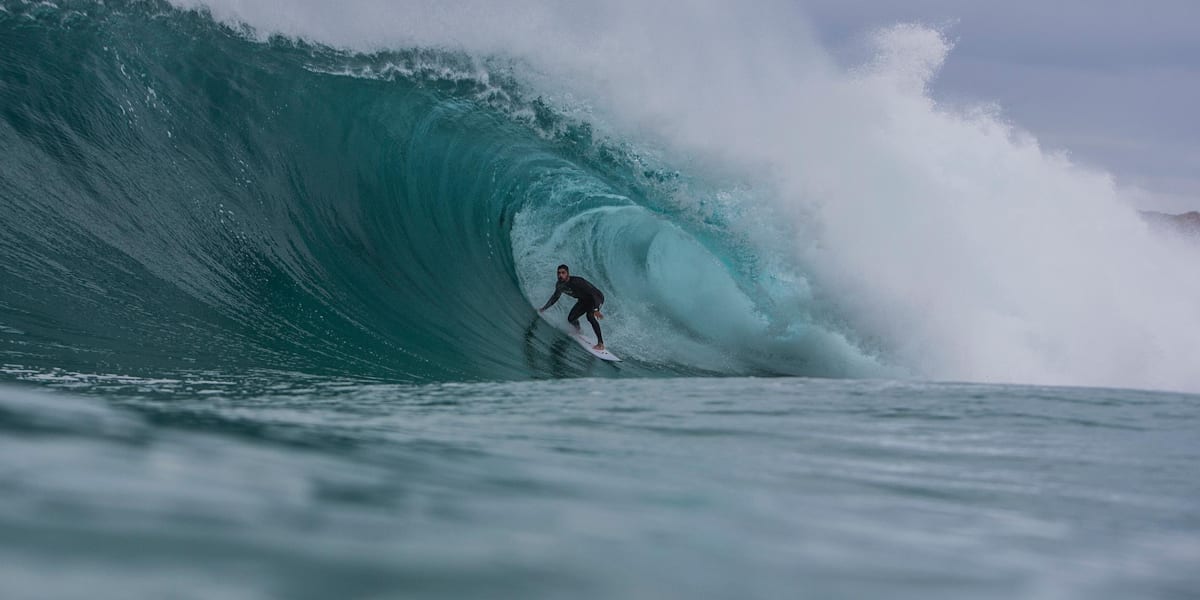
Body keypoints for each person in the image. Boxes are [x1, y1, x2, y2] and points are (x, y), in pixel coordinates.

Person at [539, 264, 606, 351]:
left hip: (596, 298)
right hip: (583, 300)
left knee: (590, 316)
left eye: (563, 273)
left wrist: (596, 309)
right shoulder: (560, 285)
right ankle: (578, 330)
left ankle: (600, 343)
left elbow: (593, 294)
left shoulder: (577, 282)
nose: (560, 275)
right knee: (571, 318)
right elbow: (555, 297)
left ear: (568, 274)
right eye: (558, 273)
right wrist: (543, 309)